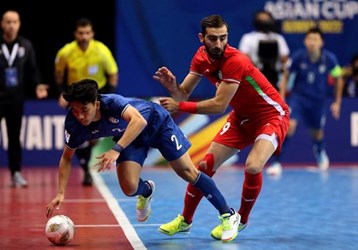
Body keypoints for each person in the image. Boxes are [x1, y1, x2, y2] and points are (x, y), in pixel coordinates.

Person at [45, 78, 239, 242]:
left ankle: (228, 215)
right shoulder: (74, 124)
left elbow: (139, 121)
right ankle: (146, 190)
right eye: (75, 110)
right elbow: (67, 158)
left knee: (187, 172)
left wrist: (116, 149)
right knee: (129, 187)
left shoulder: (112, 103)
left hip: (157, 123)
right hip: (131, 136)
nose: (80, 115)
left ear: (96, 103)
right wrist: (60, 192)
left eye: (84, 109)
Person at [152, 15, 289, 240]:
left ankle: (241, 219)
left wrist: (180, 106)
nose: (218, 44)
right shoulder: (200, 57)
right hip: (241, 118)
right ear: (202, 38)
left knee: (253, 166)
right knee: (204, 166)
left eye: (223, 38)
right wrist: (172, 87)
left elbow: (219, 105)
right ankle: (185, 220)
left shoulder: (236, 60)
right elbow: (182, 94)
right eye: (213, 39)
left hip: (271, 116)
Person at [266, 27, 344, 176]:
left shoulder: (329, 59)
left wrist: (337, 102)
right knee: (289, 127)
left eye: (316, 39)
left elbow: (338, 78)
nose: (312, 42)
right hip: (299, 98)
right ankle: (275, 162)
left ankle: (320, 152)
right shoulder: (298, 57)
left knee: (317, 134)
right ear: (305, 41)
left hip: (318, 101)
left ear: (322, 42)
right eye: (309, 39)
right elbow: (286, 75)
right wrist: (281, 97)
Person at [54, 17, 119, 186]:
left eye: (87, 33)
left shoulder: (101, 51)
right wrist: (61, 93)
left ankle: (85, 164)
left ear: (92, 34)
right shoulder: (65, 52)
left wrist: (107, 97)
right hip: (75, 98)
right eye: (81, 33)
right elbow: (59, 74)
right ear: (76, 34)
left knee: (93, 137)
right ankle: (85, 169)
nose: (84, 36)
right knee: (79, 134)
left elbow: (113, 75)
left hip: (96, 97)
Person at [0, 10, 48, 188]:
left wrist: (37, 85)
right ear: (2, 24)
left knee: (14, 138)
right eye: (8, 22)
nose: (11, 25)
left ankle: (16, 173)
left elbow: (33, 70)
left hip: (15, 100)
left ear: (19, 24)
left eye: (14, 22)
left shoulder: (26, 46)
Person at [238, 10, 290, 90]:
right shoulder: (248, 38)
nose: (265, 22)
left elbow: (285, 58)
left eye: (267, 19)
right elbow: (243, 57)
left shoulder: (278, 38)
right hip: (254, 75)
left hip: (274, 76)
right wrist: (255, 68)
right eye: (262, 20)